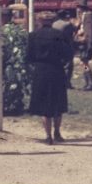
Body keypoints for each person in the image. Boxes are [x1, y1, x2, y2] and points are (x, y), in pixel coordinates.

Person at [27, 11, 74, 144]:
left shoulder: (33, 36)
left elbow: (29, 56)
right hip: (56, 69)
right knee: (58, 103)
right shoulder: (59, 35)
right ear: (53, 22)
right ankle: (57, 132)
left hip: (41, 70)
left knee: (44, 104)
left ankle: (48, 136)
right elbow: (68, 53)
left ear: (39, 21)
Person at [75, 4, 92, 90]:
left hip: (86, 43)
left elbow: (89, 31)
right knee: (84, 63)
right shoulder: (85, 16)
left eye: (78, 8)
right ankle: (89, 82)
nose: (77, 10)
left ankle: (91, 83)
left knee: (84, 63)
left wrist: (87, 40)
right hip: (86, 42)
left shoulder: (88, 16)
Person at [52, 10, 77, 88]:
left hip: (56, 46)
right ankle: (66, 83)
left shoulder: (54, 24)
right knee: (68, 66)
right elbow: (73, 32)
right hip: (66, 46)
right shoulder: (67, 24)